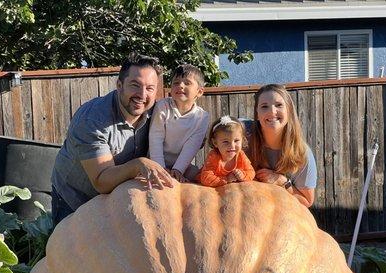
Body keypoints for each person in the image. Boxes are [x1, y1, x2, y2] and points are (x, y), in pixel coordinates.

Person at [50, 53, 174, 225]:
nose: (142, 94)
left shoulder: (158, 115)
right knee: (74, 250)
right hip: (75, 200)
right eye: (135, 85)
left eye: (150, 88)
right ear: (119, 85)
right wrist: (138, 164)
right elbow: (101, 181)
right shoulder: (92, 120)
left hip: (116, 202)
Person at [247, 84, 317, 207]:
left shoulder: (302, 154)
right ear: (257, 114)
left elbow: (307, 201)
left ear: (289, 111)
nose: (272, 111)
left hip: (283, 214)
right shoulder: (241, 136)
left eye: (279, 105)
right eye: (264, 106)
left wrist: (282, 182)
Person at [148, 64, 210, 182]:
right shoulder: (162, 106)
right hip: (156, 161)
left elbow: (192, 146)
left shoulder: (202, 117)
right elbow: (156, 137)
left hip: (183, 164)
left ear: (200, 91)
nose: (180, 86)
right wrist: (161, 168)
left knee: (198, 177)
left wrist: (178, 169)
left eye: (187, 83)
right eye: (176, 83)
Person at [198, 116, 255, 187]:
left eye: (236, 141)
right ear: (215, 143)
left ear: (242, 140)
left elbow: (251, 172)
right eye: (225, 142)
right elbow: (205, 177)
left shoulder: (241, 155)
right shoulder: (214, 156)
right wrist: (226, 179)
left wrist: (243, 175)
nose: (232, 146)